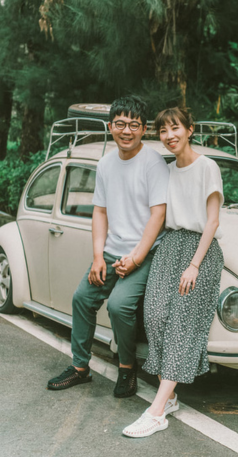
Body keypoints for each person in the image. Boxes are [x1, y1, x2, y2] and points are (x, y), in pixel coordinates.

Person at [47, 96, 169, 398]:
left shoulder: (153, 163)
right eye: (120, 124)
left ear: (144, 130)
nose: (126, 131)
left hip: (144, 253)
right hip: (112, 251)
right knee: (82, 298)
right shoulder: (105, 164)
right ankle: (79, 368)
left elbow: (159, 214)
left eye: (133, 125)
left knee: (118, 306)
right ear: (110, 126)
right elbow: (99, 212)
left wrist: (137, 259)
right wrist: (98, 257)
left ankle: (127, 370)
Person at [123, 107, 224, 438]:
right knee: (154, 316)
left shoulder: (207, 166)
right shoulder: (166, 170)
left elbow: (212, 221)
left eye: (175, 128)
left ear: (190, 129)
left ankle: (156, 410)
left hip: (199, 251)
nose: (169, 136)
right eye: (163, 131)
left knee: (182, 324)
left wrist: (194, 265)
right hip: (169, 248)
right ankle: (171, 397)